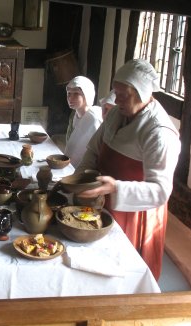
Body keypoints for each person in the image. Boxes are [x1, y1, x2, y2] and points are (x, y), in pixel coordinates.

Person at [76, 59, 181, 279]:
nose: (117, 99)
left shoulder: (159, 132)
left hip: (132, 212)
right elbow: (94, 149)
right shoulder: (116, 114)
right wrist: (81, 176)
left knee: (123, 273)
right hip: (104, 199)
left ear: (142, 94)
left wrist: (116, 188)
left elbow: (160, 191)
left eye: (123, 95)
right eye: (116, 93)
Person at [64, 76, 103, 167]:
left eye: (76, 94)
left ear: (87, 94)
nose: (70, 98)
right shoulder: (74, 115)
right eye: (69, 93)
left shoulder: (94, 118)